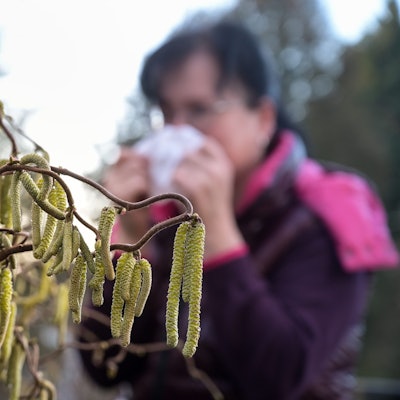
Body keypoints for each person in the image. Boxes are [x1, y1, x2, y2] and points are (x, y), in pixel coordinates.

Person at [77, 19, 399, 399]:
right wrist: (129, 242)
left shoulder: (328, 218)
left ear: (262, 118)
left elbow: (279, 376)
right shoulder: (164, 217)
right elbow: (106, 367)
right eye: (166, 113)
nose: (176, 132)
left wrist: (218, 233)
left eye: (199, 109)